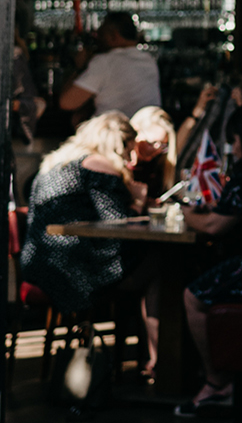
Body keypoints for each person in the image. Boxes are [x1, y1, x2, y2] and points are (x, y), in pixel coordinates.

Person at [20, 111, 161, 374]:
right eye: (128, 151)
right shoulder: (99, 165)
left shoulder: (56, 160)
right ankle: (159, 359)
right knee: (160, 265)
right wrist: (139, 201)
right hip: (72, 269)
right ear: (117, 145)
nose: (131, 160)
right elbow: (117, 223)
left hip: (38, 263)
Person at [175, 109, 242, 416]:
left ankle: (217, 380)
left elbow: (213, 226)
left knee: (192, 297)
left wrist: (184, 212)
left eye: (234, 141)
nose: (232, 148)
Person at [59, 12, 161, 117]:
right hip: (146, 127)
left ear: (114, 35)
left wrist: (79, 67)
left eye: (101, 34)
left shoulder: (105, 61)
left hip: (113, 129)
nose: (98, 39)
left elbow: (67, 103)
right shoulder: (149, 60)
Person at [130, 105, 177, 199]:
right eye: (152, 143)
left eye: (163, 145)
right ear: (135, 133)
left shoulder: (157, 164)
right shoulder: (120, 163)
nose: (158, 149)